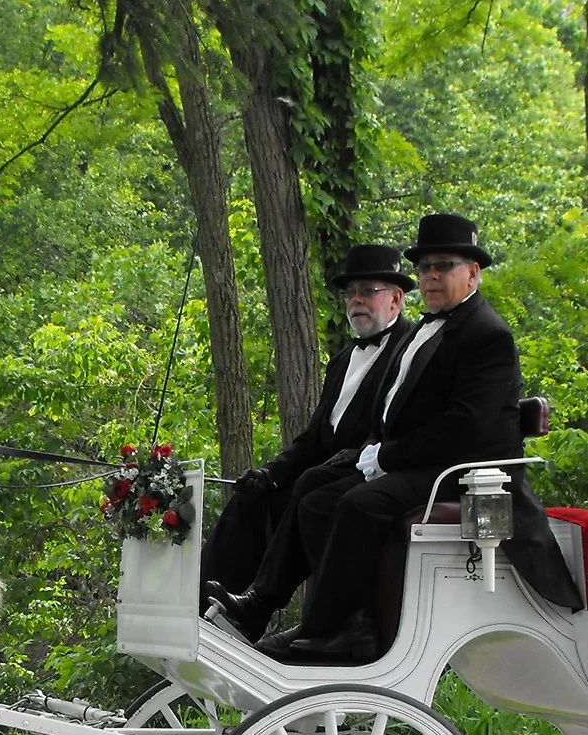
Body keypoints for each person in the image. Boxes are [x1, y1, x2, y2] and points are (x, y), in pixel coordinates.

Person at [223, 212, 529, 664]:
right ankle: (281, 608)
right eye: (425, 267)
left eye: (443, 266)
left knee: (358, 504)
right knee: (311, 490)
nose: (432, 276)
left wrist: (386, 455)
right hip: (418, 460)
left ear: (473, 273)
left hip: (463, 472)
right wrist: (366, 454)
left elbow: (465, 426)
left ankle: (333, 629)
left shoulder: (487, 334)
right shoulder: (426, 330)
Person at [201, 243, 413, 606]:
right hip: (320, 474)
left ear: (395, 300)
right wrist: (270, 473)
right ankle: (205, 604)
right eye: (351, 293)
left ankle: (260, 606)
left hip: (365, 476)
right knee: (251, 500)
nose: (357, 301)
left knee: (309, 498)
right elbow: (314, 440)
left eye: (368, 292)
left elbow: (398, 431)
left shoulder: (409, 350)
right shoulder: (343, 360)